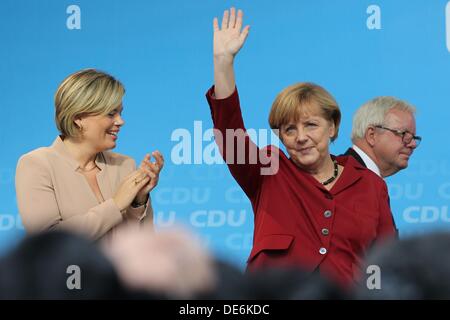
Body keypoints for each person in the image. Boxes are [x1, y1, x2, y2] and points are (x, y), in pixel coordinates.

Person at [205, 8, 396, 287]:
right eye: (289, 129)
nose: (301, 137)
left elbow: (386, 262)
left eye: (311, 125)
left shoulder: (370, 185)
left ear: (332, 127)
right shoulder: (269, 172)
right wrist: (223, 62)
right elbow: (230, 135)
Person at [15, 69, 164, 241]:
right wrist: (115, 205)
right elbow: (49, 243)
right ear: (78, 117)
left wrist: (139, 201)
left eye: (120, 113)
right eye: (111, 113)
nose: (120, 121)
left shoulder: (125, 165)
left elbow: (144, 246)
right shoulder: (37, 164)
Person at [344, 96, 421, 178]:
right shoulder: (343, 177)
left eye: (413, 137)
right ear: (372, 135)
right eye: (403, 134)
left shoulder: (364, 179)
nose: (413, 144)